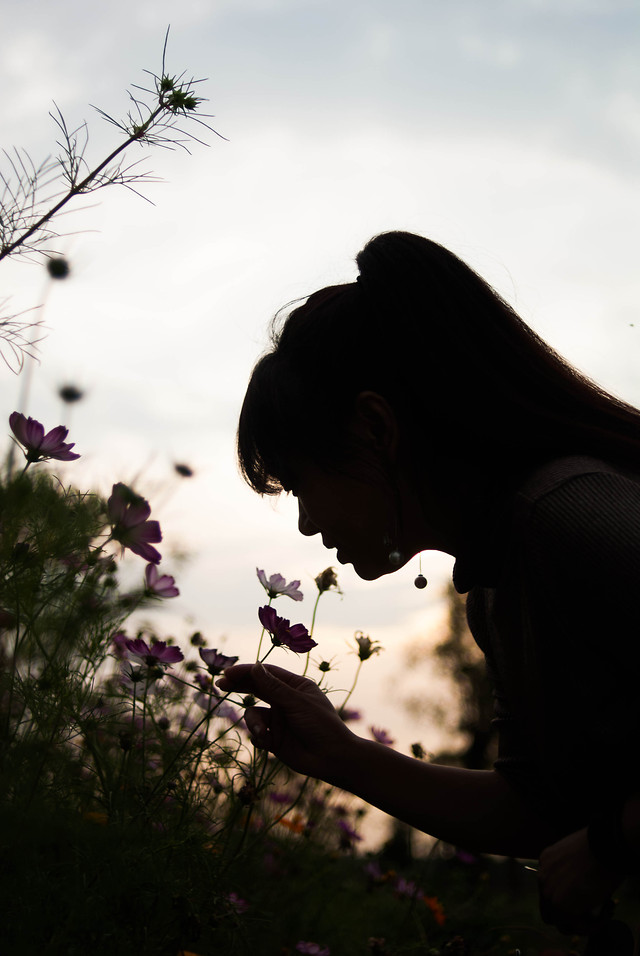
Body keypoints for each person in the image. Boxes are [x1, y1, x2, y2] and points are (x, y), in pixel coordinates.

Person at [217, 231, 640, 940]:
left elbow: (587, 831)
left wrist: (613, 844)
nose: (307, 523)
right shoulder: (499, 587)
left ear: (376, 428)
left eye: (302, 483)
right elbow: (539, 808)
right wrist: (343, 756)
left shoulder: (570, 514)